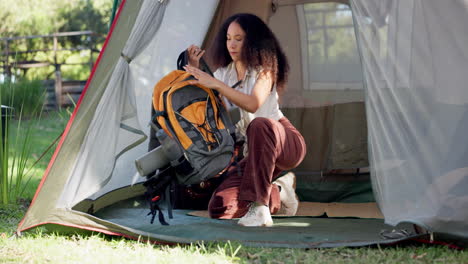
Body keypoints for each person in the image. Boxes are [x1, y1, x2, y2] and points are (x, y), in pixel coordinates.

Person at [183, 13, 306, 227]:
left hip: (285, 143)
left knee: (259, 124)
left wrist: (217, 84)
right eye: (229, 38)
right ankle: (279, 191)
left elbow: (253, 104)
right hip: (254, 152)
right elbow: (213, 108)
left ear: (252, 40)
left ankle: (260, 209)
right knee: (221, 208)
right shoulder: (223, 74)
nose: (232, 44)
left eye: (238, 39)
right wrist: (195, 69)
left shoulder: (265, 69)